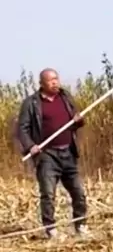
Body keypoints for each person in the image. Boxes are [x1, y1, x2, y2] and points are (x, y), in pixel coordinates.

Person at [16, 68, 88, 239]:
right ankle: (51, 229)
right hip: (47, 155)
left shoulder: (65, 97)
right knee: (48, 194)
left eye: (56, 78)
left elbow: (76, 121)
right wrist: (30, 146)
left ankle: (81, 225)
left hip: (68, 152)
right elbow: (22, 129)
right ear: (42, 83)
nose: (55, 82)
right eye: (50, 80)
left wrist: (79, 120)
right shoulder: (32, 103)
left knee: (78, 192)